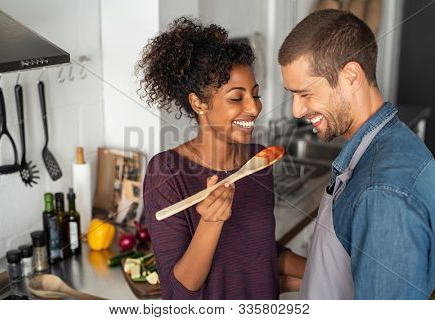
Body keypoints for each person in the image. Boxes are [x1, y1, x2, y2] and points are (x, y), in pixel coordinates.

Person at [139, 17, 306, 299]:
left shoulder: (258, 160)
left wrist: (326, 270)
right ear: (199, 103)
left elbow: (259, 251)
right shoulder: (167, 171)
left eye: (255, 95)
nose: (254, 108)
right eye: (236, 98)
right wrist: (210, 222)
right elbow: (180, 289)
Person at [278, 9, 435, 299]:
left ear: (351, 76)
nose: (296, 111)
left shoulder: (382, 191)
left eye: (305, 94)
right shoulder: (388, 144)